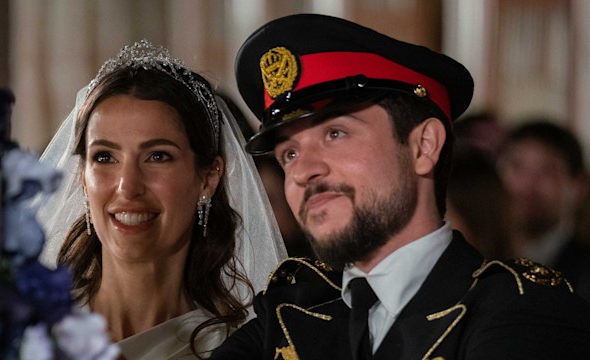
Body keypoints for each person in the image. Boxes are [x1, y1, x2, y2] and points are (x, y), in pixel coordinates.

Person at [210, 14, 590, 359]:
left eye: (335, 133)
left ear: (423, 147)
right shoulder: (288, 313)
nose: (302, 171)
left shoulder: (523, 311)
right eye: (288, 153)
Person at [36, 40, 287, 360]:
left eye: (157, 156)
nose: (128, 187)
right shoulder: (22, 329)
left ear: (209, 177)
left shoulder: (240, 349)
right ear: (82, 177)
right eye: (104, 157)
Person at [497, 119, 590, 303]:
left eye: (548, 171)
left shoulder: (584, 272)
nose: (527, 185)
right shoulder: (480, 259)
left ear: (578, 186)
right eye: (516, 167)